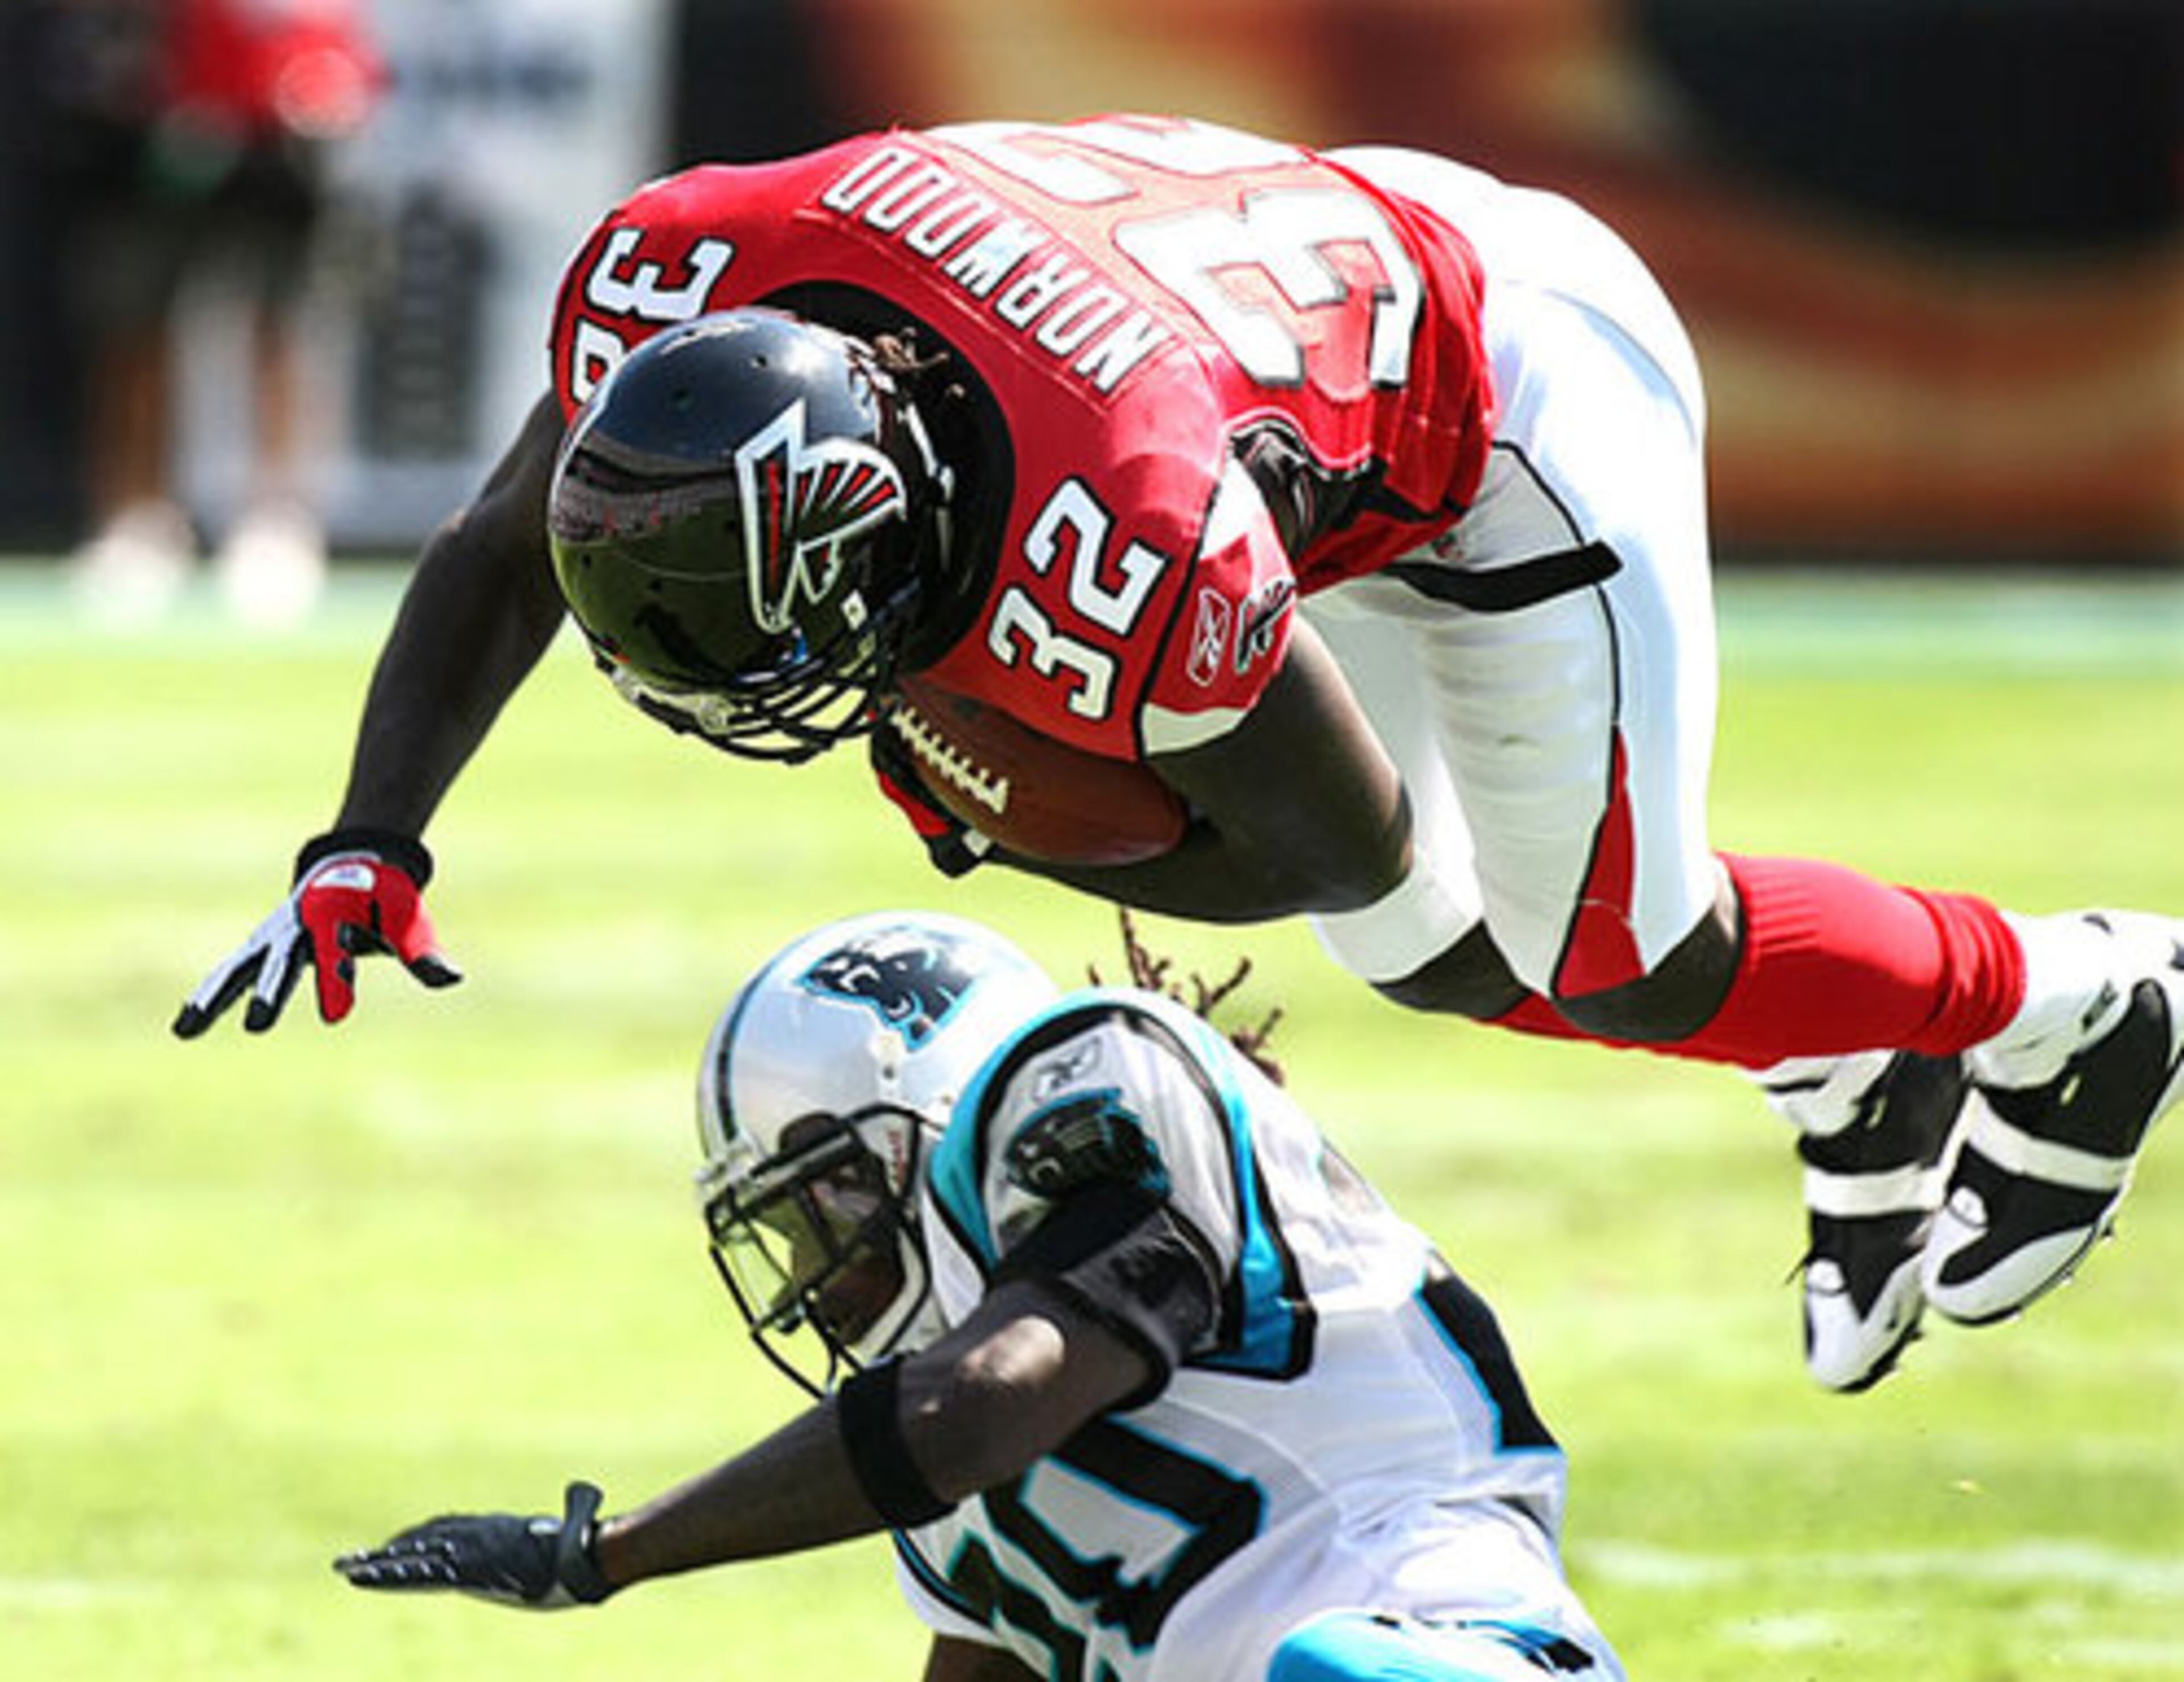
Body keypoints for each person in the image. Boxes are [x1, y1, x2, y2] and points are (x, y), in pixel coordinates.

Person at [171, 115, 2184, 1394]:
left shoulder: (1123, 531)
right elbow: (514, 529)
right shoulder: (689, 289)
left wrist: (979, 799)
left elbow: (1316, 848)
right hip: (1278, 340)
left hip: (1509, 404)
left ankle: (2081, 996)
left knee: (1609, 955)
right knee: (1441, 956)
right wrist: (371, 836)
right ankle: (1847, 1055)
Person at [332, 909, 1626, 1682]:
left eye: (820, 1204)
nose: (812, 1270)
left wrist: (605, 1552)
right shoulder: (929, 1459)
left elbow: (977, 1411)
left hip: (1432, 1627)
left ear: (924, 1120)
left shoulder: (1093, 1077)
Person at [44, 0, 381, 625]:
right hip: (161, 114)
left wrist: (320, 80)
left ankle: (275, 523)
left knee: (279, 331)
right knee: (135, 331)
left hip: (276, 124)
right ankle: (135, 522)